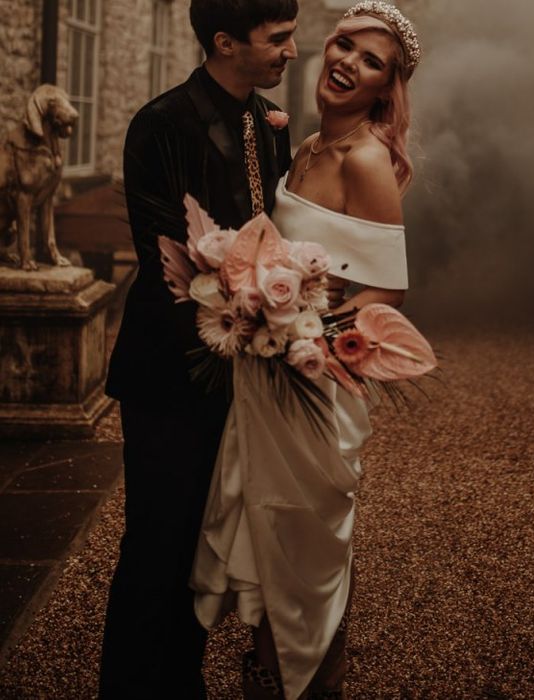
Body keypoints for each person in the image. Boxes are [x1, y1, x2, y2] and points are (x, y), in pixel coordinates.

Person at [188, 2, 422, 698]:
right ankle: (268, 677)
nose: (348, 60)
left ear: (387, 86)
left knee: (301, 550)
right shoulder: (304, 148)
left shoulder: (367, 160)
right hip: (266, 377)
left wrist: (302, 336)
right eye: (345, 44)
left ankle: (306, 681)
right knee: (263, 542)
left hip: (315, 382)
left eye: (371, 60)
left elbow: (389, 293)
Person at [100, 1, 299, 697]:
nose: (292, 51)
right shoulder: (160, 124)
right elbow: (168, 263)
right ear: (224, 42)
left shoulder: (266, 124)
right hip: (168, 376)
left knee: (203, 549)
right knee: (156, 544)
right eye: (278, 38)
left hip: (244, 374)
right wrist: (254, 321)